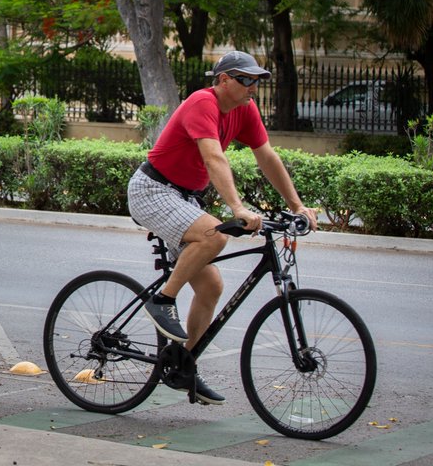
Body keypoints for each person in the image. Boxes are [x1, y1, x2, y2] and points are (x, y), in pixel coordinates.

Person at [127, 51, 319, 406]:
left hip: (184, 198)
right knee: (214, 234)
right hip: (152, 189)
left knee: (212, 285)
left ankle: (184, 365)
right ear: (224, 80)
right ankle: (162, 300)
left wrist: (297, 207)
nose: (253, 88)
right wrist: (237, 209)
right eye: (246, 80)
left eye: (256, 81)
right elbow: (214, 157)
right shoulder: (203, 102)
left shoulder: (244, 111)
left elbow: (267, 157)